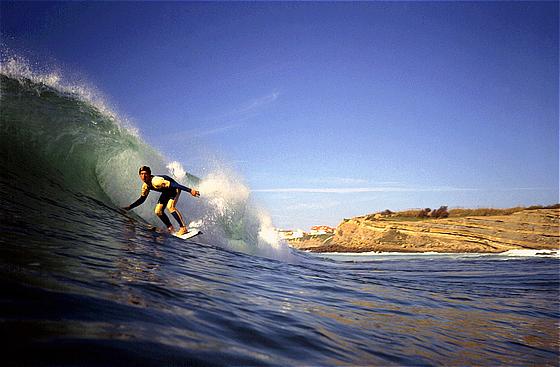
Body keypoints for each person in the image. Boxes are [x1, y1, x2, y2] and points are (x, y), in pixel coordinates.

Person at [123, 165, 200, 235]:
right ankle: (170, 228)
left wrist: (190, 190)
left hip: (174, 189)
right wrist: (130, 207)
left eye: (145, 173)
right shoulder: (145, 186)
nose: (143, 176)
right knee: (158, 211)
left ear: (149, 174)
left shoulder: (156, 181)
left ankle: (183, 228)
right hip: (166, 192)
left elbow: (175, 185)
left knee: (170, 207)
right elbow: (142, 199)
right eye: (141, 174)